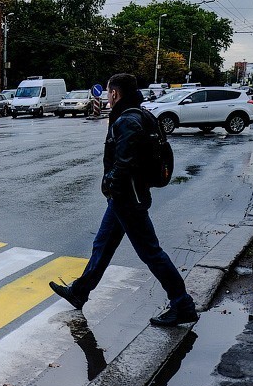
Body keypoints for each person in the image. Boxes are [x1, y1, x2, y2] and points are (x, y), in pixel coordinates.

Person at [49, 73, 198, 327]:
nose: (107, 97)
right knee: (103, 245)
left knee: (151, 252)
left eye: (108, 93)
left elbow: (124, 163)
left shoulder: (127, 120)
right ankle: (79, 292)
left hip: (128, 198)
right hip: (128, 196)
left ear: (115, 94)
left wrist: (109, 185)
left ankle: (182, 304)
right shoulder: (141, 114)